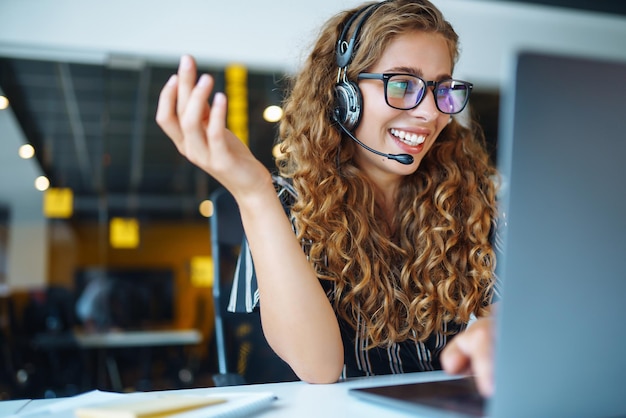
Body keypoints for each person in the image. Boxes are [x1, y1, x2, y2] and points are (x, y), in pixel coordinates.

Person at [156, 0, 500, 397]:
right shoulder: (283, 203)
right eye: (402, 85)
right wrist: (253, 192)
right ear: (344, 96)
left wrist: (501, 330)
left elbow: (513, 326)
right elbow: (320, 366)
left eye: (442, 89)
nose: (429, 112)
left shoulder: (472, 195)